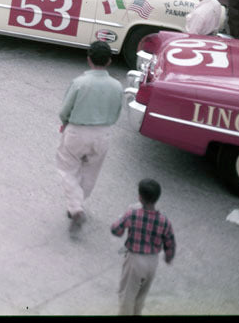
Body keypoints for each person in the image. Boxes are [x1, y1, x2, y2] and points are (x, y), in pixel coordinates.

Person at [56, 40, 123, 235]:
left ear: (88, 60)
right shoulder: (117, 86)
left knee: (67, 168)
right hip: (103, 133)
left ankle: (75, 207)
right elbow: (117, 113)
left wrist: (66, 122)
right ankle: (78, 204)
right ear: (109, 61)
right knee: (91, 172)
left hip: (77, 131)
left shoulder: (79, 83)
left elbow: (64, 111)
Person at [110, 178, 176, 315]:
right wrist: (169, 257)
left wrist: (123, 216)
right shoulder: (164, 220)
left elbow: (116, 230)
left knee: (127, 294)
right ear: (157, 198)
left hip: (135, 260)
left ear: (140, 197)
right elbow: (170, 243)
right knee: (141, 294)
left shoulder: (132, 214)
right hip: (152, 261)